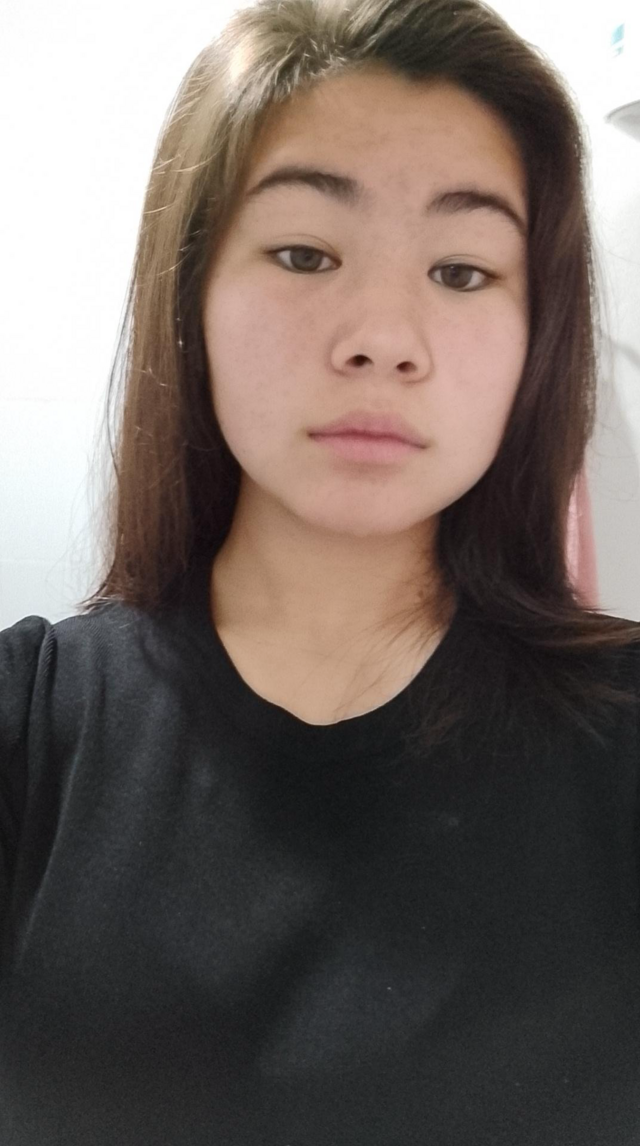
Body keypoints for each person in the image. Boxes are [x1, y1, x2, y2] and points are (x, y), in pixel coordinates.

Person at [2, 0, 640, 1142]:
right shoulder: (31, 725)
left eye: (461, 270)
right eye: (304, 253)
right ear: (191, 295)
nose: (383, 336)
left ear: (536, 341)